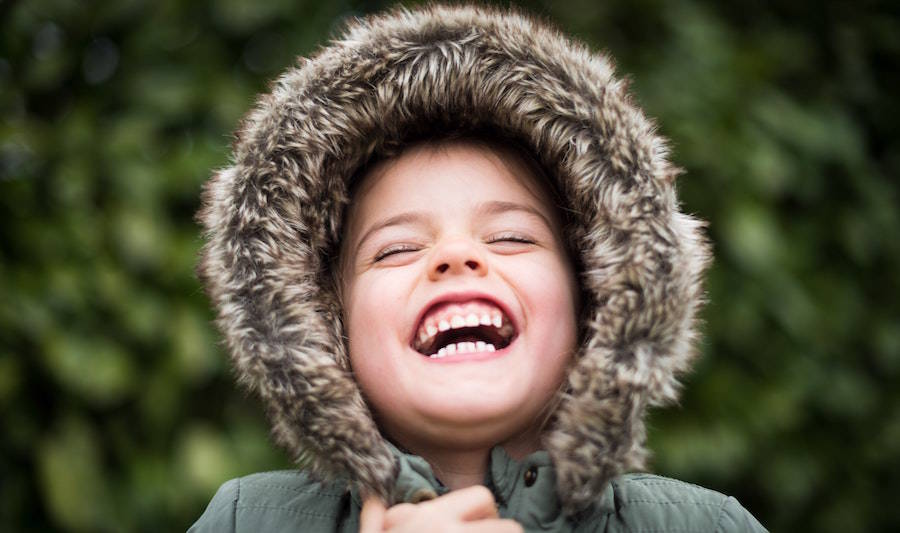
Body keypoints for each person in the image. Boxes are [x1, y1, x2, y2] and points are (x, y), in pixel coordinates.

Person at [189, 4, 766, 532]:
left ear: (594, 299)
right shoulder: (246, 520)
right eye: (395, 249)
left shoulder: (705, 524)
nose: (455, 256)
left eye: (512, 238)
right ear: (324, 325)